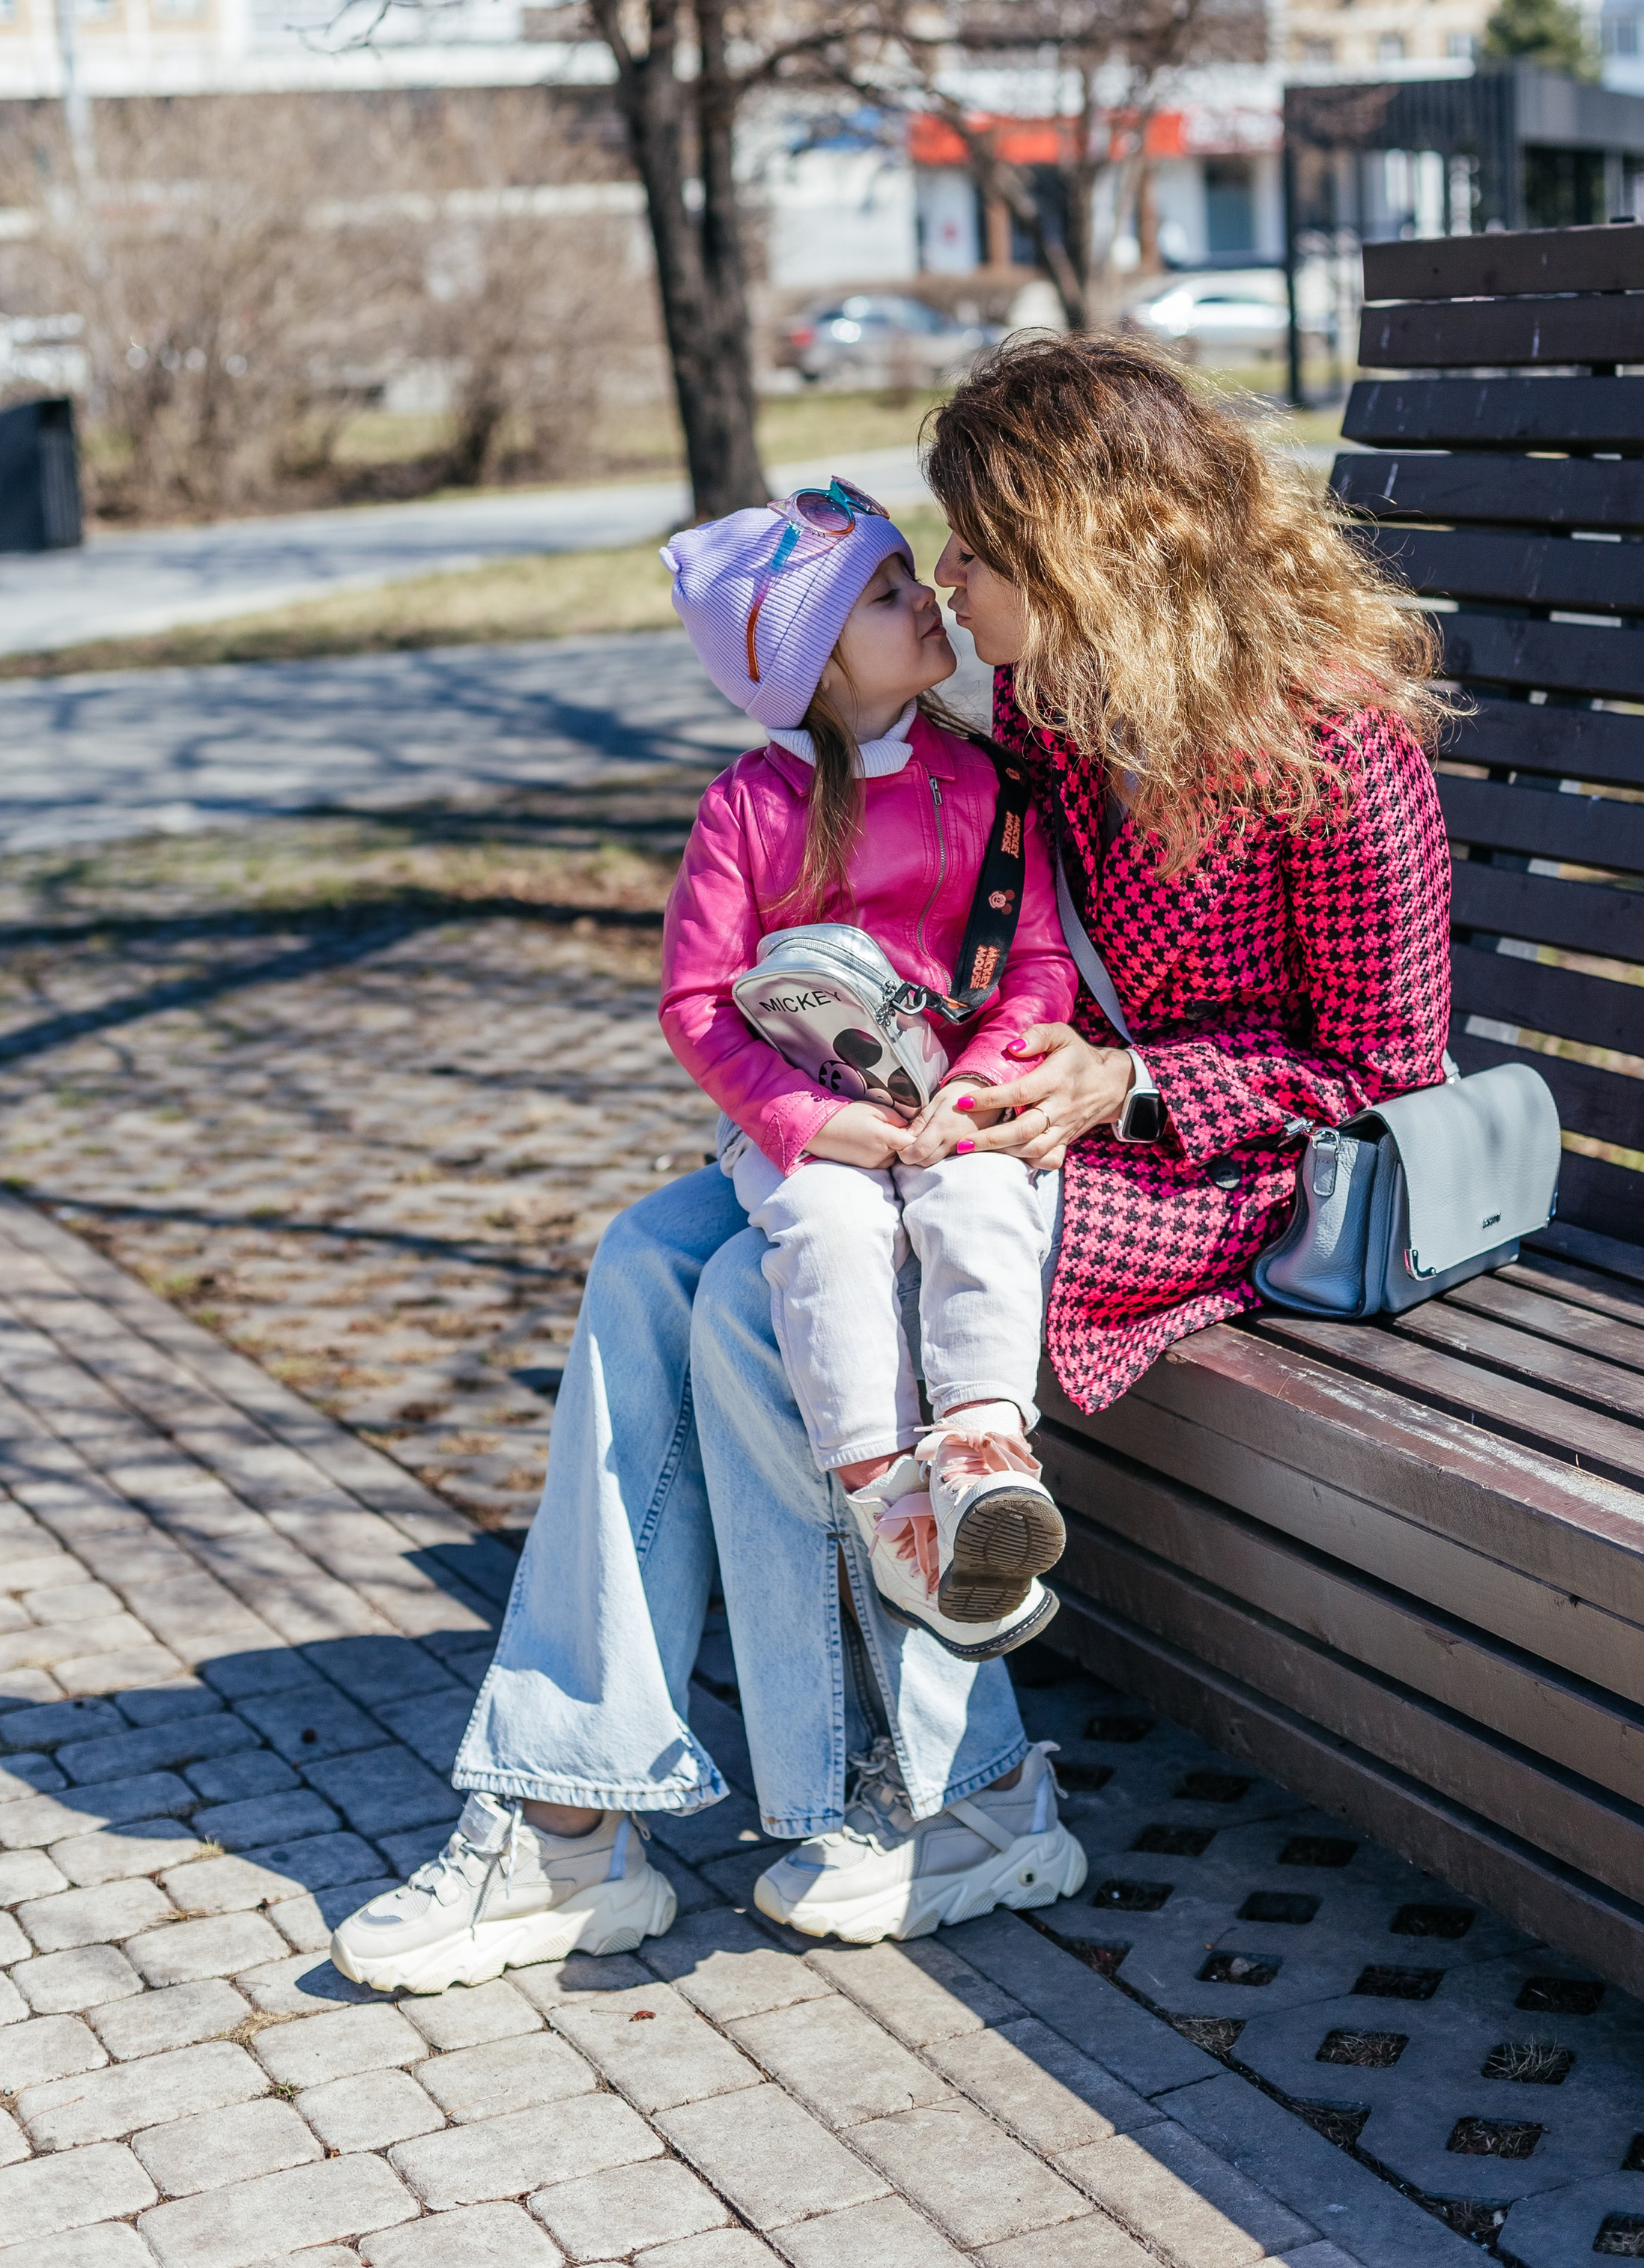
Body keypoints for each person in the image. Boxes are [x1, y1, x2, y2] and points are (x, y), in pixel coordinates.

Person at [331, 335, 1451, 1994]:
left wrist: (1126, 1080)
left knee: (747, 1303)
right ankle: (569, 1819)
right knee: (652, 1259)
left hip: (1208, 1173)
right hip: (989, 1124)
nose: (949, 587)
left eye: (978, 555)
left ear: (1087, 550)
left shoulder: (1335, 752)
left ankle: (958, 1792)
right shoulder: (1063, 714)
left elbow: (1384, 1068)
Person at [655, 480, 1080, 1654]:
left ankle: (987, 1461)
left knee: (984, 1196)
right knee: (832, 1238)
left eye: (911, 573)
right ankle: (894, 1512)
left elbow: (1035, 961)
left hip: (954, 1097)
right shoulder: (747, 808)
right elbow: (696, 1005)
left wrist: (979, 1084)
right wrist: (806, 1123)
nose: (930, 594)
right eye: (886, 594)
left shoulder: (986, 782)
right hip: (810, 1126)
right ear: (812, 666)